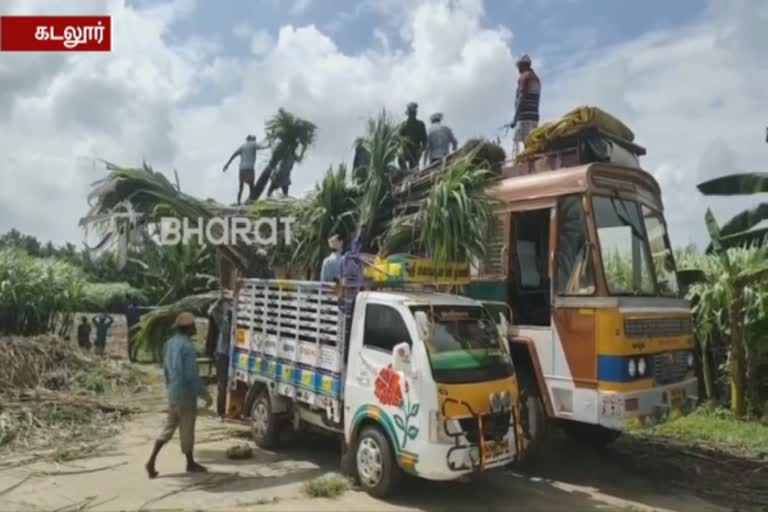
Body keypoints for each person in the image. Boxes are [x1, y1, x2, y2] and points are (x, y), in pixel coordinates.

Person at [145, 312, 212, 478]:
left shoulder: (170, 343)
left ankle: (151, 461)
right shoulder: (187, 347)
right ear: (188, 328)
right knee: (187, 430)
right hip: (186, 394)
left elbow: (166, 369)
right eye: (194, 325)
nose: (196, 327)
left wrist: (170, 388)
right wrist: (204, 394)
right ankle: (190, 463)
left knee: (169, 427)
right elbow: (191, 376)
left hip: (173, 392)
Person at [222, 134, 270, 206]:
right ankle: (251, 202)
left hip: (241, 169)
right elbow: (264, 147)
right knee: (251, 186)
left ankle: (238, 201)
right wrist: (270, 143)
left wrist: (227, 165)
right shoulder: (253, 144)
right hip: (249, 169)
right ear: (252, 139)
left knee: (241, 187)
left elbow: (233, 155)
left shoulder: (242, 146)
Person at [510, 54, 541, 156]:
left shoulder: (524, 77)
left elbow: (522, 98)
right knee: (532, 143)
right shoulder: (536, 79)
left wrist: (515, 118)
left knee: (524, 144)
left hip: (524, 117)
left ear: (523, 65)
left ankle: (526, 162)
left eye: (519, 66)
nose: (518, 69)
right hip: (534, 116)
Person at [399, 102, 427, 171]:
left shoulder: (420, 124)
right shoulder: (403, 125)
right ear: (408, 113)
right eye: (411, 112)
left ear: (415, 113)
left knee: (414, 170)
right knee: (401, 163)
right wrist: (401, 150)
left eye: (413, 112)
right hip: (405, 151)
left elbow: (424, 140)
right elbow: (399, 139)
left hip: (415, 152)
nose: (412, 114)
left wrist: (421, 150)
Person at [215, 308, 232, 418]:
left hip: (222, 355)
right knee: (223, 384)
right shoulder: (226, 324)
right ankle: (221, 411)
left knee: (223, 385)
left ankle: (222, 410)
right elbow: (212, 311)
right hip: (223, 356)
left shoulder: (225, 323)